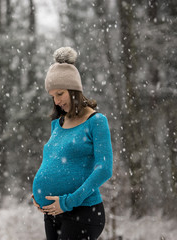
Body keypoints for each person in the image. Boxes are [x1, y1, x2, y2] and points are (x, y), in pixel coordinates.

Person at [32, 47, 113, 240]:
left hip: (83, 212)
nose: (56, 101)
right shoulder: (57, 124)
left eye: (60, 93)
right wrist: (39, 194)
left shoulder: (96, 121)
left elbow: (104, 169)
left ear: (74, 90)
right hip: (52, 214)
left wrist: (68, 202)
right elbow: (53, 162)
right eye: (53, 96)